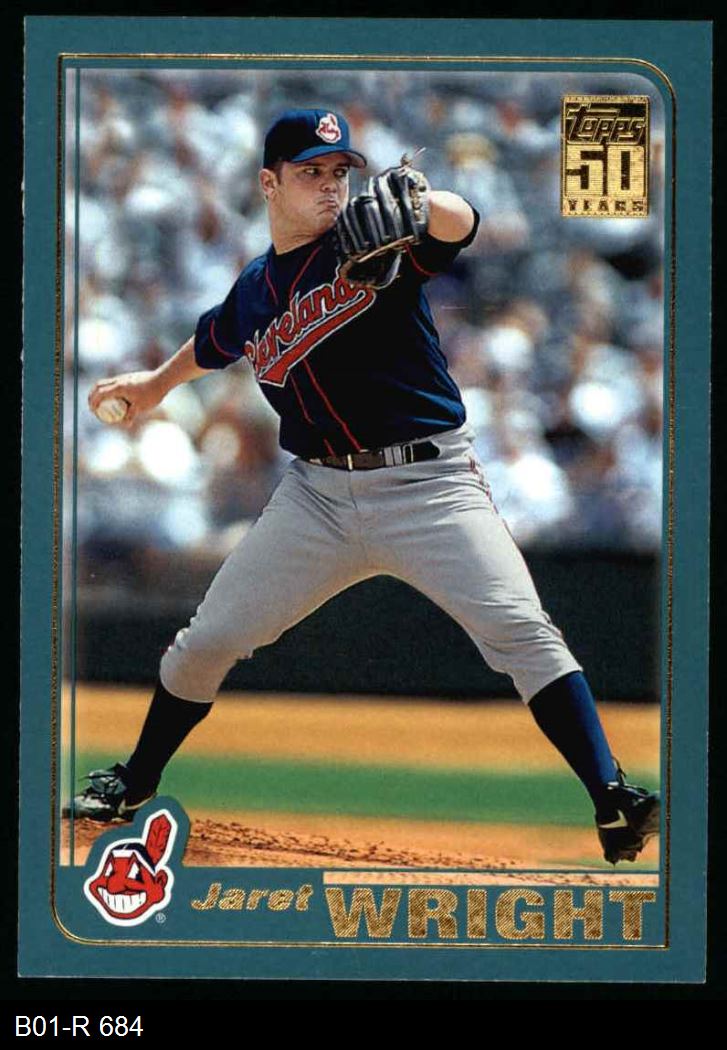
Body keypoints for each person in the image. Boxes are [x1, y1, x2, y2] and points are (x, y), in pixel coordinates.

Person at [71, 108, 659, 865]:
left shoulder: (377, 247)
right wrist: (155, 384)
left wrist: (428, 202)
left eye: (340, 172)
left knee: (523, 633)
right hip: (315, 498)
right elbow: (215, 339)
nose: (330, 185)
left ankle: (612, 799)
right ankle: (134, 780)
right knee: (203, 644)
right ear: (269, 184)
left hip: (430, 487)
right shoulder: (255, 290)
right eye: (310, 172)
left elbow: (459, 225)